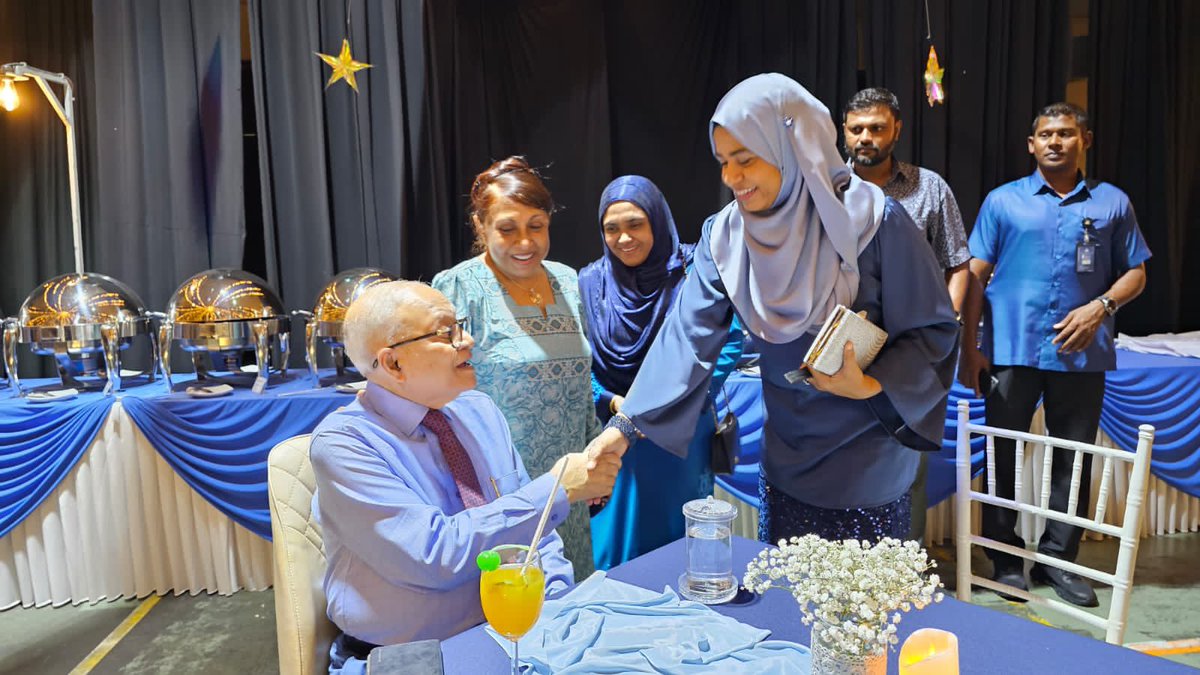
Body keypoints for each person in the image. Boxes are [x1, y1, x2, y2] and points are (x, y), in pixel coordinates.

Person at [586, 73, 959, 544]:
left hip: (869, 458)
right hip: (786, 458)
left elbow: (934, 334)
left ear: (795, 145)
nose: (730, 178)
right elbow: (686, 339)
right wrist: (621, 429)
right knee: (787, 605)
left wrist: (869, 383)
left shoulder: (876, 222)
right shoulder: (726, 237)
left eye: (745, 160)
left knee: (864, 610)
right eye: (723, 162)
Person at [309, 281, 620, 674]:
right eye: (446, 333)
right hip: (413, 657)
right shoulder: (344, 444)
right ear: (392, 364)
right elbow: (434, 557)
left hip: (512, 636)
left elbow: (535, 534)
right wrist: (557, 489)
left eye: (462, 325)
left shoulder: (479, 410)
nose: (468, 340)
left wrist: (555, 607)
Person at [962, 102, 1150, 607]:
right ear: (1031, 144)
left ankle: (1058, 562)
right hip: (1010, 351)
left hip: (1081, 355)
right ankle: (1002, 560)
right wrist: (969, 349)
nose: (1054, 142)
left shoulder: (1112, 203)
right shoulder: (1004, 202)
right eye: (1045, 134)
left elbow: (1135, 272)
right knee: (1002, 454)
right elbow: (974, 276)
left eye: (1065, 133)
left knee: (1074, 458)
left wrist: (1101, 307)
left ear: (1084, 140)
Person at [433, 157, 602, 578]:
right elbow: (438, 393)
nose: (525, 242)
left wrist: (590, 456)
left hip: (568, 485)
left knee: (570, 601)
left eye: (536, 226)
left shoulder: (566, 280)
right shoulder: (459, 288)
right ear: (481, 226)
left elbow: (582, 386)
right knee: (511, 613)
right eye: (507, 229)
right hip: (496, 493)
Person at [579, 175, 744, 570]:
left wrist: (677, 402)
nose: (624, 239)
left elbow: (729, 341)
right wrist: (612, 402)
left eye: (635, 224)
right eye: (612, 229)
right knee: (615, 545)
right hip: (611, 434)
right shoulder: (589, 282)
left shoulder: (693, 273)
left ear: (657, 219)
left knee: (675, 542)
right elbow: (579, 360)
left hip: (680, 431)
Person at [843, 87, 972, 542]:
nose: (865, 138)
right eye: (856, 128)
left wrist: (946, 324)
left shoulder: (928, 188)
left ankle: (904, 573)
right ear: (843, 131)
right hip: (846, 349)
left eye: (876, 128)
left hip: (913, 351)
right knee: (847, 462)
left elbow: (958, 263)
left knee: (907, 461)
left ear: (896, 130)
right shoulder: (827, 189)